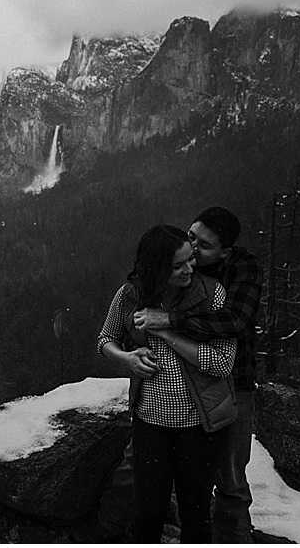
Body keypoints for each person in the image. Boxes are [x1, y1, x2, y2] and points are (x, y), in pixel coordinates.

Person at [98, 224, 237, 543]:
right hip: (150, 424)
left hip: (200, 424)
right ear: (156, 268)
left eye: (191, 259)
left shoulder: (211, 294)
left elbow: (221, 362)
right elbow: (106, 338)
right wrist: (127, 359)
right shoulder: (130, 293)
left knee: (195, 512)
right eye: (179, 265)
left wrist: (165, 331)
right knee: (147, 512)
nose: (191, 268)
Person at [134, 207, 261, 543]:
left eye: (202, 247)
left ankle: (231, 540)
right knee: (168, 486)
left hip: (233, 383)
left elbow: (233, 322)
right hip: (173, 399)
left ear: (224, 252)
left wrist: (169, 322)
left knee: (230, 479)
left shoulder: (240, 269)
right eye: (191, 237)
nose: (192, 249)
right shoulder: (177, 267)